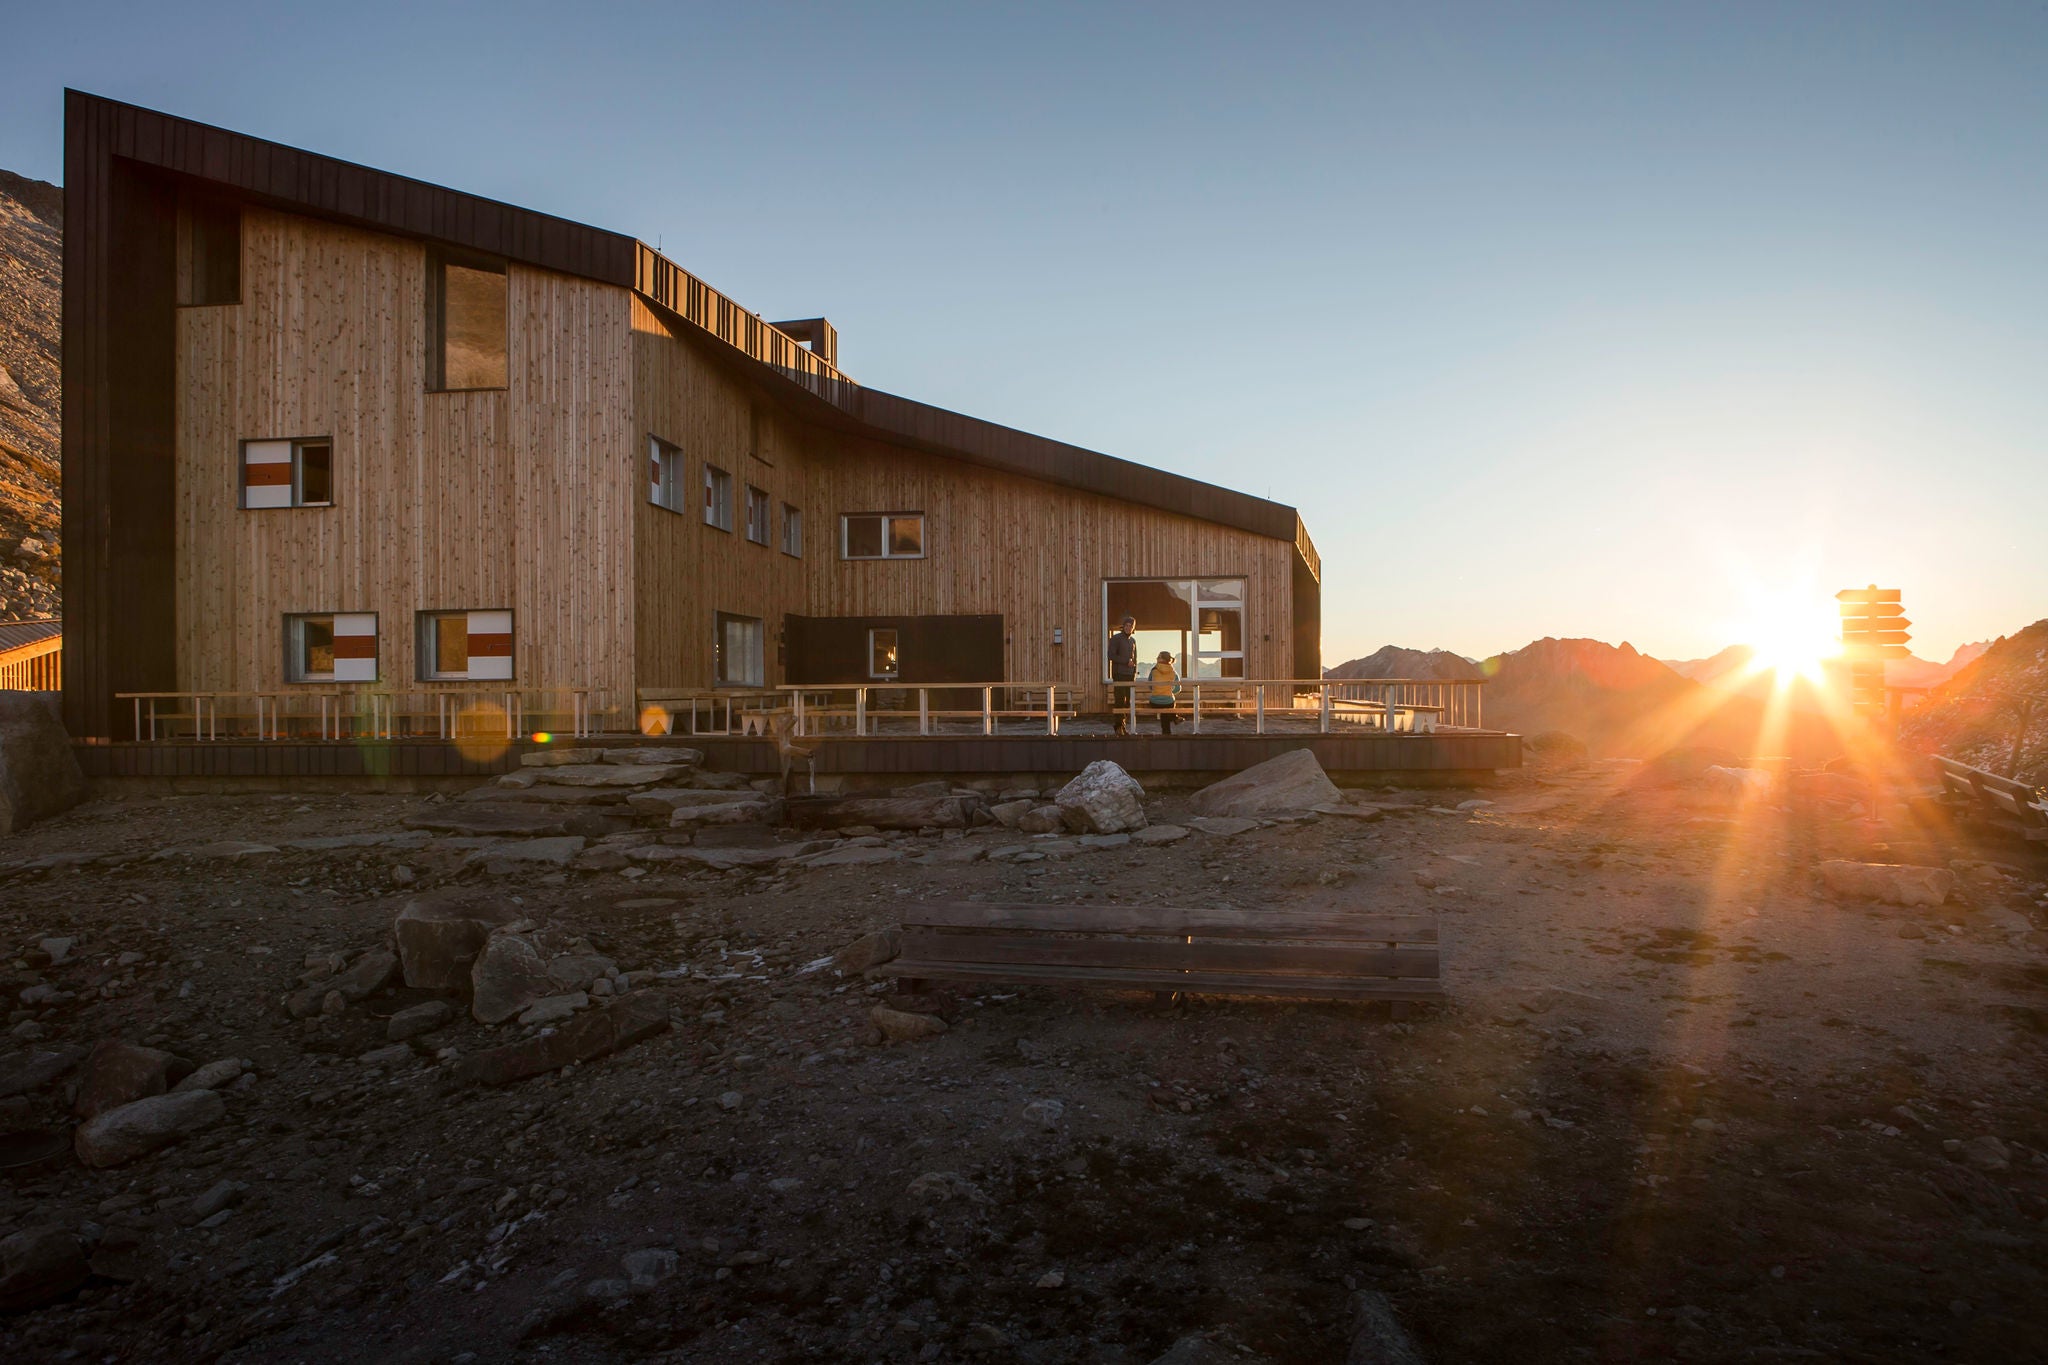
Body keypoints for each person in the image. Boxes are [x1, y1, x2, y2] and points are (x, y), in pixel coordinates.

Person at [1107, 615, 1138, 735]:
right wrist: (1126, 661)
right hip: (1119, 674)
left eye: (1131, 626)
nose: (1128, 628)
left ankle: (1123, 726)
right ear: (1123, 626)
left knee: (1127, 702)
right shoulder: (1116, 638)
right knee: (1119, 701)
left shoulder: (1133, 641)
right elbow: (1111, 655)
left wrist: (1134, 673)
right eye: (1127, 625)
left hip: (1130, 676)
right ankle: (1118, 726)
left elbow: (1135, 659)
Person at [1147, 651, 1181, 734]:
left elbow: (1150, 686)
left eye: (1158, 657)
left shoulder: (1153, 670)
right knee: (1167, 707)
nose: (1156, 658)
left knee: (1164, 712)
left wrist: (1158, 691)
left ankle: (1167, 730)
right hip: (1168, 702)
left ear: (1162, 660)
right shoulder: (1173, 672)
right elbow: (1178, 689)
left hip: (1154, 702)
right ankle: (1172, 720)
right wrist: (1169, 692)